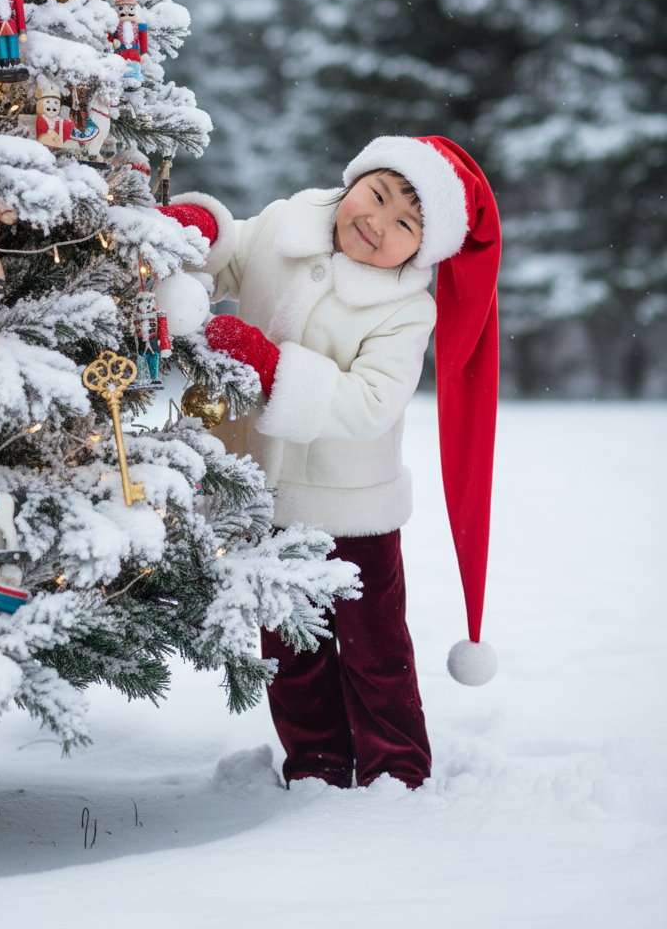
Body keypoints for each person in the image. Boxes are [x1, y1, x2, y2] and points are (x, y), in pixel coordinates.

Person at [158, 135, 502, 790]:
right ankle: (314, 758)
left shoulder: (406, 308)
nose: (377, 222)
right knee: (288, 642)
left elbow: (369, 402)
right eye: (377, 195)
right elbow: (227, 260)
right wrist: (201, 231)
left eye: (405, 223)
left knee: (374, 644)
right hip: (262, 482)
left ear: (425, 249)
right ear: (353, 181)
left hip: (351, 499)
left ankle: (396, 761)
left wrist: (270, 365)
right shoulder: (288, 224)